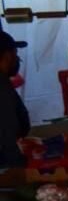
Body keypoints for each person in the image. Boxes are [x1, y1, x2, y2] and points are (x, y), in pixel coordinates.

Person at [0, 29, 30, 168]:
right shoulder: (2, 87)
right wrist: (16, 169)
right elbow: (8, 132)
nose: (17, 58)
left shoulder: (4, 82)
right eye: (15, 52)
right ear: (7, 55)